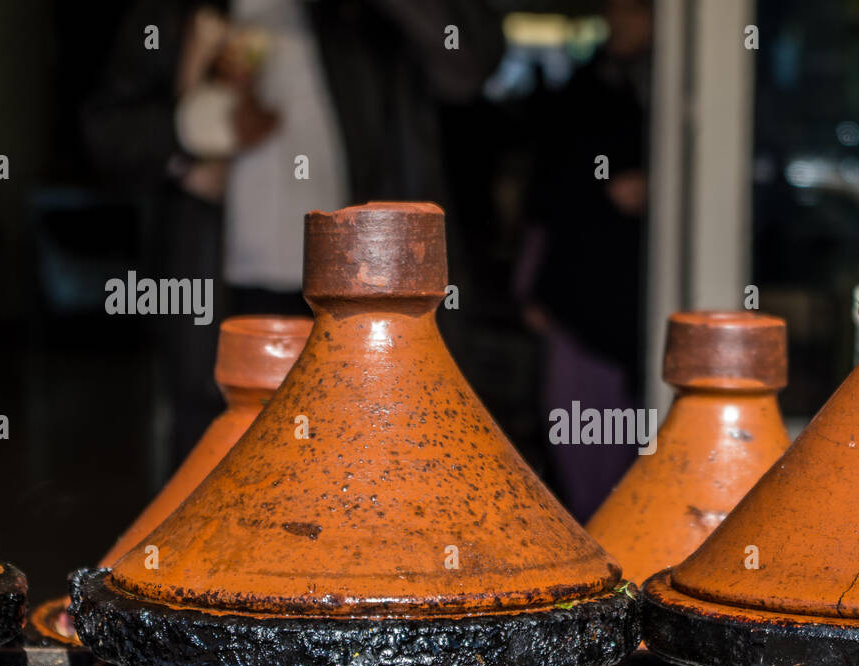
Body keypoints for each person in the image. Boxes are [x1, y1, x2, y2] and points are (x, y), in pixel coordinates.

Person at [84, 0, 504, 462]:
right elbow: (105, 131)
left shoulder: (358, 20)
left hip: (352, 305)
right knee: (218, 475)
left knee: (353, 471)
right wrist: (190, 132)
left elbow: (468, 66)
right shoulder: (174, 14)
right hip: (221, 301)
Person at [516, 0, 652, 520]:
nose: (625, 20)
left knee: (640, 437)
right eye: (618, 8)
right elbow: (545, 195)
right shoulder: (582, 92)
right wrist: (531, 283)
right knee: (581, 431)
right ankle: (601, 559)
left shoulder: (678, 90)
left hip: (642, 294)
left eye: (638, 10)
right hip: (580, 294)